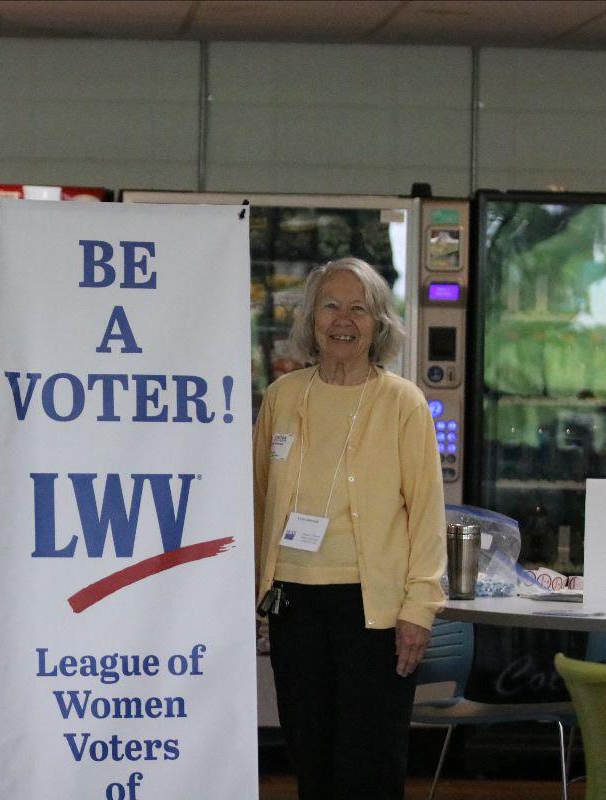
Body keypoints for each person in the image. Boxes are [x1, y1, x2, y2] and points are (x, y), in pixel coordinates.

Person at [252, 257, 446, 800]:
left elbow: (428, 512)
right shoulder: (283, 398)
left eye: (358, 308)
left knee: (371, 768)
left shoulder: (403, 402)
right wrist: (254, 591)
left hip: (375, 612)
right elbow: (259, 500)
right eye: (330, 306)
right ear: (311, 320)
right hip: (294, 604)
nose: (343, 319)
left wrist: (418, 608)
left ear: (378, 322)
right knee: (312, 764)